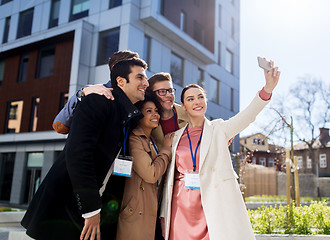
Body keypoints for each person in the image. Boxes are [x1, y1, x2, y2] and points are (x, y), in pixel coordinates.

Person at [21, 58, 149, 240]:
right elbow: (78, 154)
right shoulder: (97, 101)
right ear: (120, 81)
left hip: (98, 210)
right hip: (66, 207)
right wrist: (91, 210)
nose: (146, 83)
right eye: (140, 78)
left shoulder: (128, 115)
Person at [160, 60, 280, 240]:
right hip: (180, 206)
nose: (197, 101)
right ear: (183, 106)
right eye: (190, 99)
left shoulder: (219, 129)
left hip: (213, 204)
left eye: (200, 97)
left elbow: (247, 116)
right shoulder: (174, 137)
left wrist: (267, 89)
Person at [116, 94, 174, 239]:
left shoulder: (151, 139)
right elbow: (151, 174)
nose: (155, 114)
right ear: (138, 114)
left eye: (156, 110)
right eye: (149, 111)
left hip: (151, 207)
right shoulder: (134, 139)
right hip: (136, 211)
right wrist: (166, 150)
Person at [52, 50, 140, 134]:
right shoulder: (95, 91)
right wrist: (81, 94)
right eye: (132, 66)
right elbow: (60, 125)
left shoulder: (139, 96)